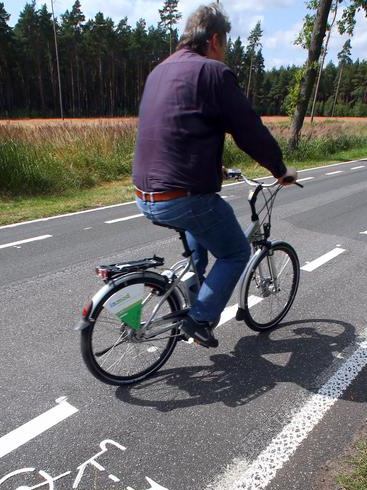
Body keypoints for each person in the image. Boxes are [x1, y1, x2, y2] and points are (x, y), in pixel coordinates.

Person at [131, 4, 297, 348]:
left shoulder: (158, 72)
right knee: (235, 252)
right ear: (216, 39)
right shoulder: (214, 73)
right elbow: (249, 131)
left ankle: (193, 287)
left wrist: (211, 166)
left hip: (143, 192)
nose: (226, 52)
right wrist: (280, 170)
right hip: (182, 195)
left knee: (201, 237)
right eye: (226, 45)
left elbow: (174, 128)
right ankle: (201, 318)